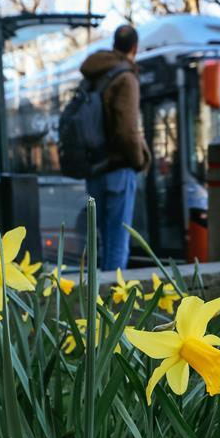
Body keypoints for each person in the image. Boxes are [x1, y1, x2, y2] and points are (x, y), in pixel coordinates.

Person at [80, 25, 151, 270]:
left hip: (94, 170)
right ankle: (112, 304)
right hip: (119, 172)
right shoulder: (125, 78)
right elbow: (127, 130)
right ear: (134, 47)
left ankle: (97, 300)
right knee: (118, 242)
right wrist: (140, 161)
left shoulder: (95, 75)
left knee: (102, 241)